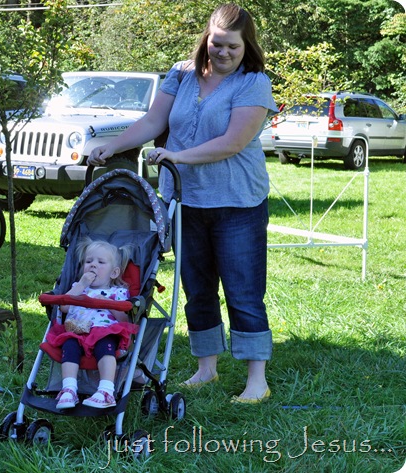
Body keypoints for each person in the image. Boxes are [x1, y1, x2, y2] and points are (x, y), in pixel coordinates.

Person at [87, 3, 278, 404]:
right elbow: (153, 123)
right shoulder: (181, 73)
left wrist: (177, 156)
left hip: (237, 202)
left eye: (233, 46)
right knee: (197, 287)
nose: (223, 52)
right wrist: (112, 146)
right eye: (217, 43)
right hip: (185, 201)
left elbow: (232, 142)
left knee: (243, 291)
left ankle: (256, 381)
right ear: (206, 38)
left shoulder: (254, 82)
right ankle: (206, 368)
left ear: (247, 46)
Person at [45, 238, 137, 409]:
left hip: (104, 332)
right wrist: (81, 284)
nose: (93, 265)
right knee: (69, 345)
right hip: (77, 331)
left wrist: (109, 303)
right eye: (89, 261)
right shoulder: (78, 288)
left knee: (105, 346)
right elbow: (64, 307)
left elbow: (124, 320)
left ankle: (106, 391)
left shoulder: (117, 292)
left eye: (101, 262)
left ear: (114, 273)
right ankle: (69, 389)